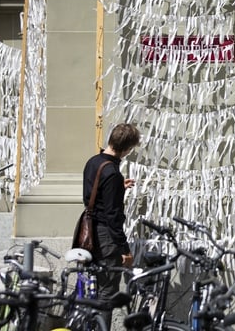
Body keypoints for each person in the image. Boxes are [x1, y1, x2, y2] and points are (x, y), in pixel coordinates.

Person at [82, 123, 140, 327]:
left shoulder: (93, 162)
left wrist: (117, 188)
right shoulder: (113, 173)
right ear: (127, 149)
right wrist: (124, 249)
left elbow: (93, 195)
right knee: (107, 293)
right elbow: (113, 216)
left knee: (95, 287)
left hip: (88, 231)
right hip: (105, 237)